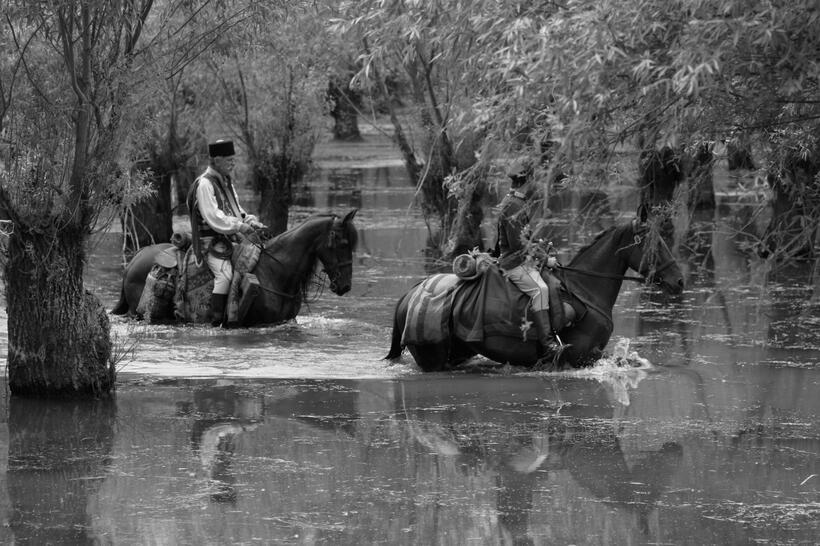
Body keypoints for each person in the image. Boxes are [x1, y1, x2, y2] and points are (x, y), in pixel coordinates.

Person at [187, 139, 265, 326]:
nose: (233, 163)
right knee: (225, 276)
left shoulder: (225, 182)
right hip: (209, 243)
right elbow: (214, 217)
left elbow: (236, 210)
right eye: (229, 160)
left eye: (233, 159)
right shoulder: (205, 184)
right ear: (217, 160)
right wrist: (239, 227)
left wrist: (249, 220)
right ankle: (217, 323)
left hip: (228, 241)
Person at [496, 158, 564, 365]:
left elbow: (526, 237)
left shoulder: (517, 202)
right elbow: (519, 243)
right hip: (513, 263)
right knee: (540, 290)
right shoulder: (513, 205)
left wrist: (542, 249)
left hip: (523, 259)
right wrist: (545, 259)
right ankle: (548, 344)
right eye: (535, 179)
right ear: (528, 179)